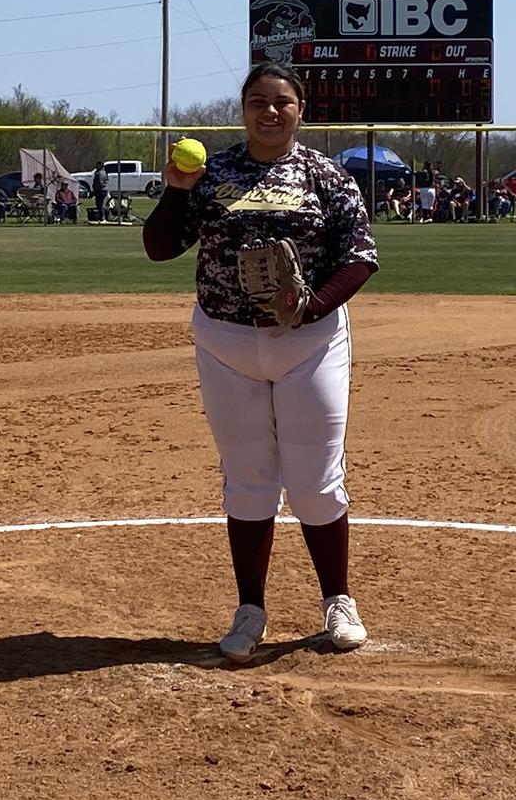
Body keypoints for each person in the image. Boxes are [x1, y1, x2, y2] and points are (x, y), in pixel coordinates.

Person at [142, 62, 380, 663]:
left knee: (316, 480)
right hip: (225, 341)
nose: (269, 112)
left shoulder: (325, 174)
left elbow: (361, 257)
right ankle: (250, 609)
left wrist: (311, 306)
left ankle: (339, 600)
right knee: (247, 480)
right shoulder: (213, 172)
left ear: (301, 109)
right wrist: (176, 189)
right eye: (258, 101)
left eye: (282, 102)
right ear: (243, 108)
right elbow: (160, 247)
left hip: (310, 343)